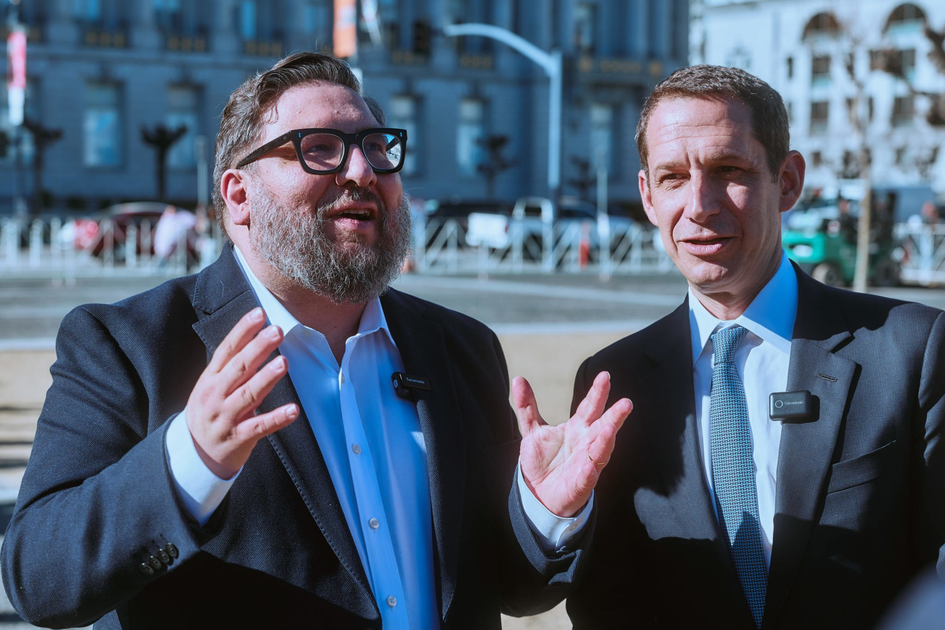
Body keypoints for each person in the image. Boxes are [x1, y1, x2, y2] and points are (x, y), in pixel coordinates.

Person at [1, 52, 629, 629]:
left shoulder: (462, 347)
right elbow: (41, 581)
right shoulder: (126, 345)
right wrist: (191, 459)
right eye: (319, 149)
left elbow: (508, 586)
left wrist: (543, 512)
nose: (362, 170)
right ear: (239, 196)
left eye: (376, 148)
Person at [566, 64, 945, 629]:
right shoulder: (612, 382)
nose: (699, 204)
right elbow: (604, 597)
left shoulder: (912, 349)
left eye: (728, 170)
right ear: (647, 196)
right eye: (673, 177)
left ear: (787, 181)